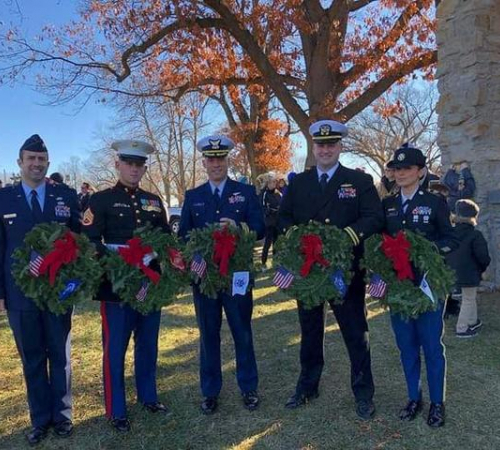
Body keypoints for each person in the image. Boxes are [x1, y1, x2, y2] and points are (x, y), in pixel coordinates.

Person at [278, 120, 384, 420]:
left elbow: (374, 217)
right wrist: (298, 239)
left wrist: (346, 236)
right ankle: (307, 386)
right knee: (310, 331)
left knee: (355, 332)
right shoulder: (298, 182)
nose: (325, 149)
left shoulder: (359, 181)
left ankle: (363, 392)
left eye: (331, 144)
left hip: (345, 272)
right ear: (313, 147)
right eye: (320, 144)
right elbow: (282, 218)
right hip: (309, 273)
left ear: (340, 147)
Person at [82, 140, 171, 432]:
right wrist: (118, 259)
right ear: (118, 164)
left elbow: (166, 239)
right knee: (115, 348)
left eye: (139, 164)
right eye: (129, 163)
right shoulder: (101, 200)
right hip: (116, 287)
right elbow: (89, 241)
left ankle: (148, 396)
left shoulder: (154, 201)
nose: (134, 169)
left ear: (144, 167)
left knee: (148, 345)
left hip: (150, 284)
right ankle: (116, 410)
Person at [0, 134, 80, 445]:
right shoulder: (4, 199)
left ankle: (62, 415)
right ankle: (40, 419)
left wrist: (76, 281)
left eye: (41, 159)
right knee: (32, 357)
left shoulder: (66, 196)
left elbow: (80, 243)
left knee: (60, 354)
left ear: (48, 162)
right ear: (19, 163)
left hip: (59, 291)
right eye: (30, 158)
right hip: (20, 293)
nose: (36, 163)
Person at [179, 135, 265, 415]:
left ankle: (249, 387)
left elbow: (261, 229)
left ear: (228, 160)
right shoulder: (193, 197)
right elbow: (183, 238)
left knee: (242, 332)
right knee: (208, 335)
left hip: (236, 275)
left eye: (221, 158)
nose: (216, 164)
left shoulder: (246, 192)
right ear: (204, 162)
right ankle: (210, 391)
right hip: (205, 280)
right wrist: (194, 257)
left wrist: (239, 227)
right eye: (211, 159)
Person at [382, 144, 458, 428]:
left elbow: (451, 239)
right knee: (406, 346)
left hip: (427, 287)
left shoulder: (435, 202)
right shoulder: (387, 205)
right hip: (400, 288)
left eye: (407, 169)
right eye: (397, 169)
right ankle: (414, 397)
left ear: (421, 172)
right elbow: (380, 244)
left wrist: (426, 254)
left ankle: (437, 403)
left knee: (431, 346)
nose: (400, 173)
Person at [447, 199, 490, 338]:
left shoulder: (450, 233)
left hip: (451, 271)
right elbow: (483, 256)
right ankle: (462, 328)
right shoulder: (475, 235)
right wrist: (482, 269)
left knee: (469, 297)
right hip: (469, 272)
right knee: (469, 299)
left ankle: (472, 321)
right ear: (474, 216)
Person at [260, 173, 282, 269]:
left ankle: (276, 262)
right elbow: (262, 207)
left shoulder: (278, 193)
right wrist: (268, 211)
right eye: (271, 182)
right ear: (268, 183)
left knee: (277, 243)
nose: (273, 184)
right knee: (268, 243)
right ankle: (263, 262)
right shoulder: (264, 193)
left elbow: (282, 204)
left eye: (274, 182)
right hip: (269, 222)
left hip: (277, 221)